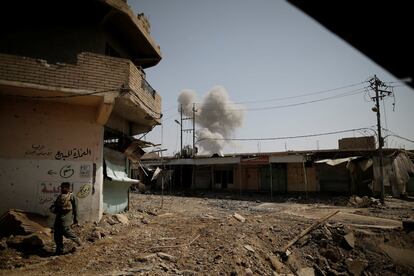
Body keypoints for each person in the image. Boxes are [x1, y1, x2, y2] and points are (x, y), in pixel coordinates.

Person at [50, 182, 82, 255]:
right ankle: (59, 251)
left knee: (67, 232)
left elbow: (76, 209)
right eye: (61, 187)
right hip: (58, 218)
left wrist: (76, 220)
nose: (62, 189)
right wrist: (53, 208)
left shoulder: (72, 197)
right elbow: (55, 205)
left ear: (68, 188)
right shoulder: (60, 196)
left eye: (64, 187)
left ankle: (79, 242)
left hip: (66, 220)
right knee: (57, 235)